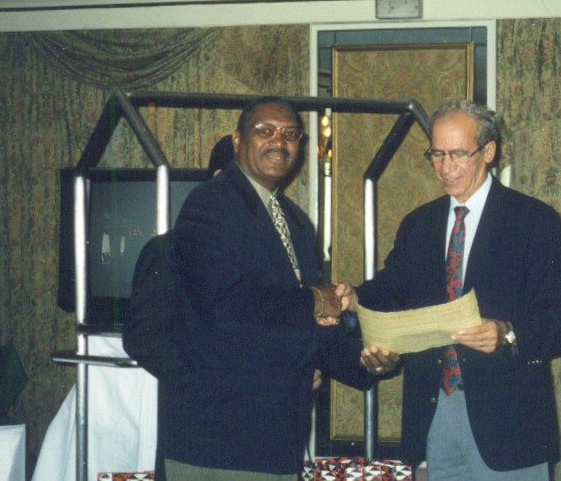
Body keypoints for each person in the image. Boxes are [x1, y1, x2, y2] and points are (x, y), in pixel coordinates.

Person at [166, 96, 396, 480]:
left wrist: (365, 360)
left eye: (290, 134)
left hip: (279, 441)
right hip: (219, 443)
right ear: (237, 140)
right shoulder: (210, 204)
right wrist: (314, 299)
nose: (279, 141)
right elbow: (223, 305)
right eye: (265, 131)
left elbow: (306, 323)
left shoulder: (297, 223)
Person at [353, 100, 561, 480]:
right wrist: (351, 298)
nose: (445, 168)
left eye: (458, 154)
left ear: (488, 151)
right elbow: (390, 291)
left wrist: (507, 333)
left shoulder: (533, 220)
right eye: (437, 154)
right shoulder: (419, 224)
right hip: (435, 413)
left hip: (509, 422)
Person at [123, 134, 236, 480]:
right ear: (219, 179)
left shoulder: (270, 254)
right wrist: (210, 381)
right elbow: (144, 338)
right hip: (196, 432)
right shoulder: (168, 251)